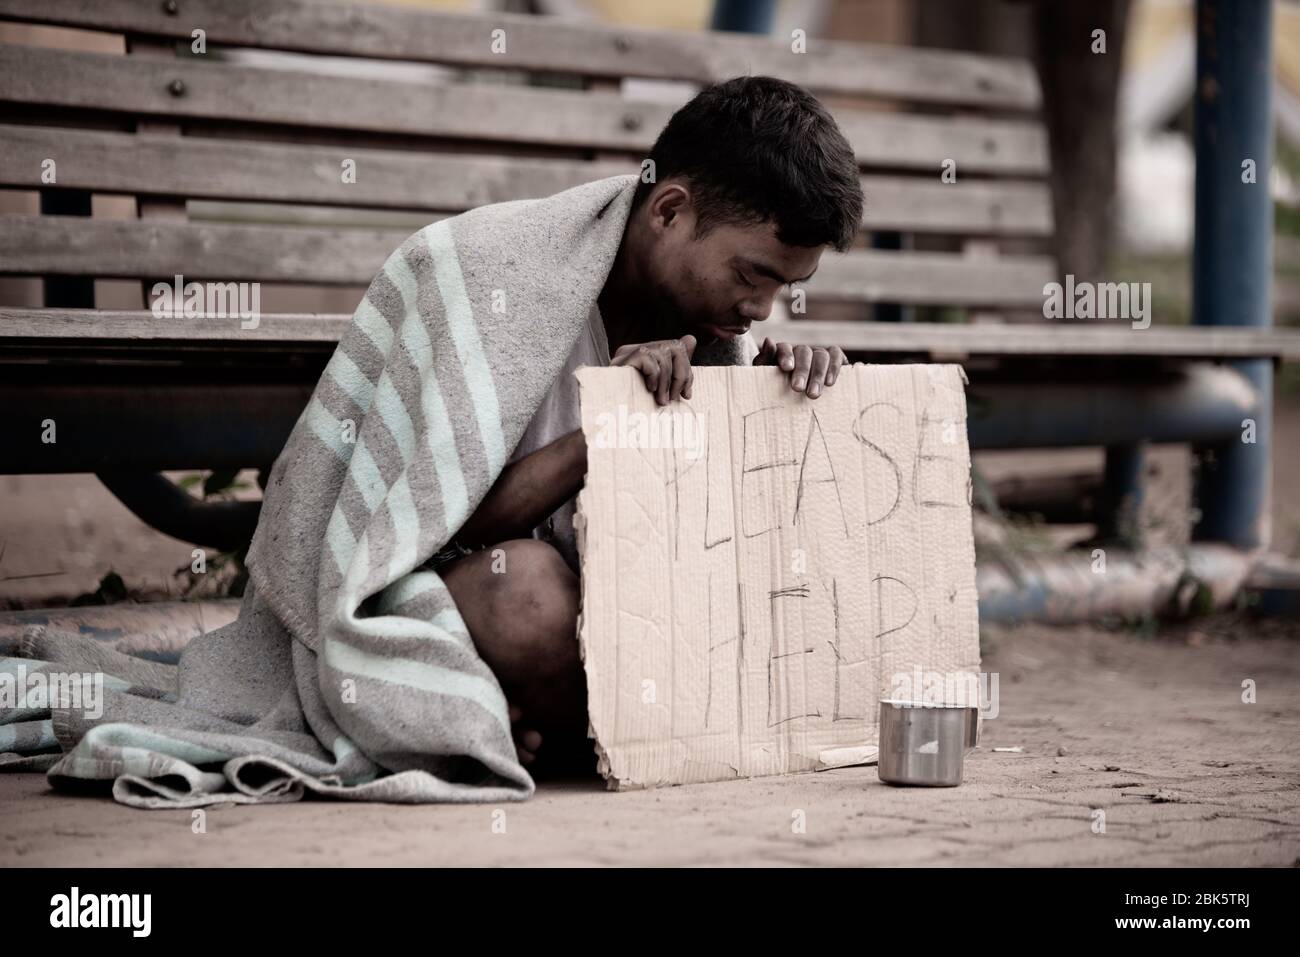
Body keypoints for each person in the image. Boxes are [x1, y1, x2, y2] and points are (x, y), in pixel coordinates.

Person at [428, 75, 865, 773]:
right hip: (461, 589)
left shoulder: (708, 326)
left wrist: (774, 411)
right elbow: (430, 528)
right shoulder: (492, 272)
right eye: (753, 275)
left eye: (785, 287)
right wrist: (613, 422)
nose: (761, 310)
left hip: (624, 623)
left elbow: (718, 549)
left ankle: (572, 732)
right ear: (668, 211)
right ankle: (615, 733)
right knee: (527, 593)